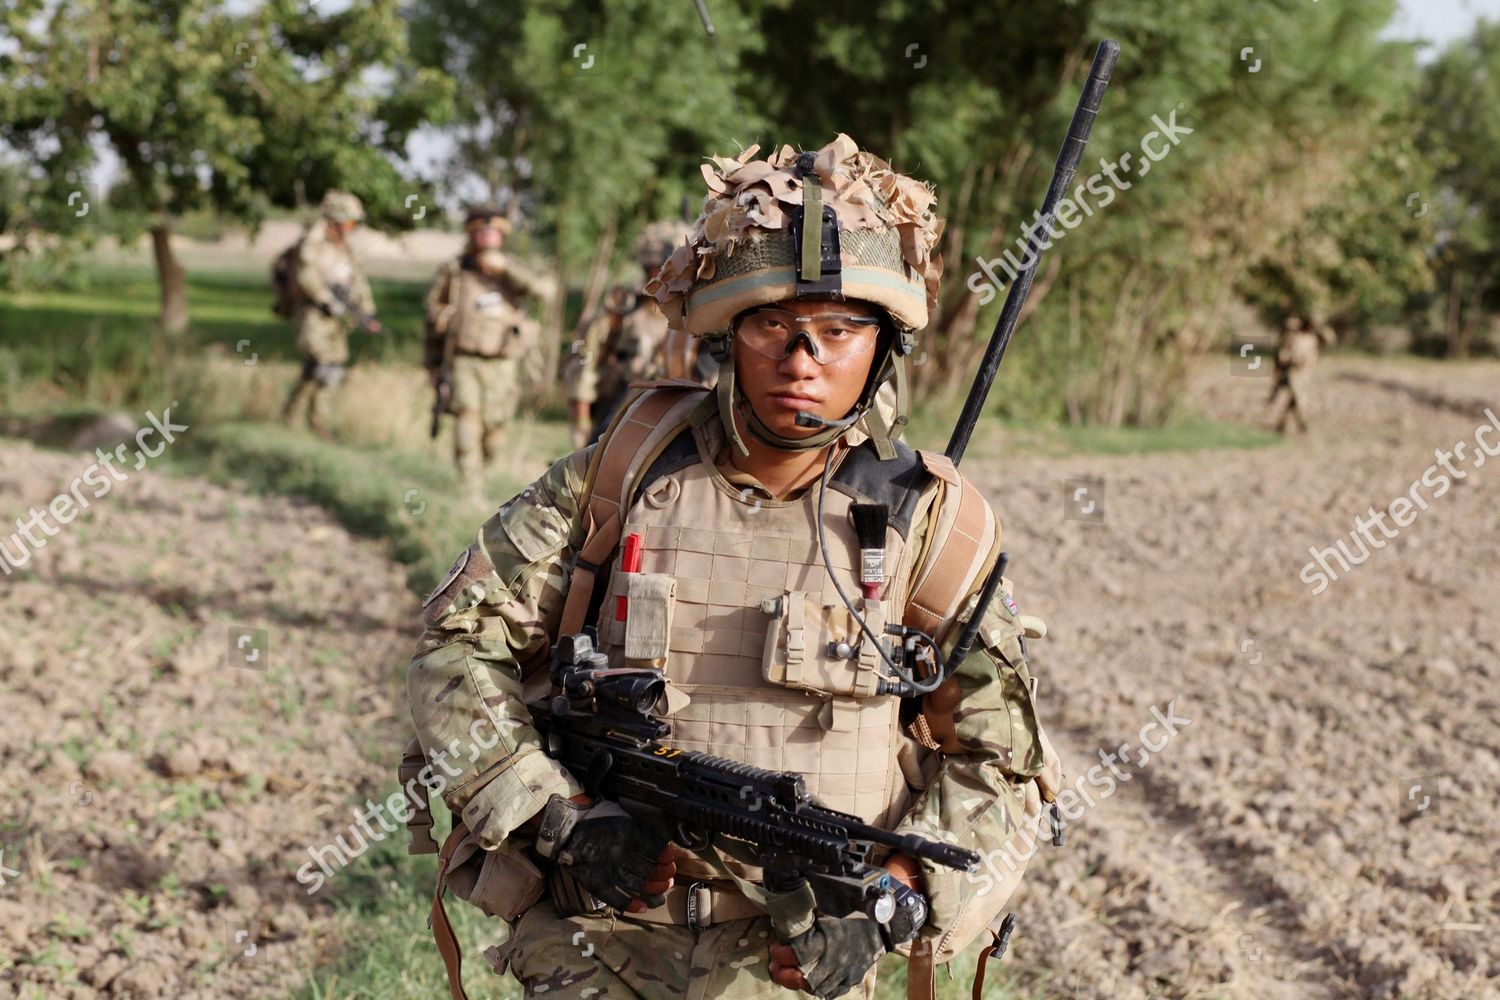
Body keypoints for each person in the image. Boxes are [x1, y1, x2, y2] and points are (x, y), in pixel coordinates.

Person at [405, 135, 1063, 1000]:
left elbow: (1004, 767)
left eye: (838, 333)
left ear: (883, 349)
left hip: (794, 959)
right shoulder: (622, 474)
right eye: (772, 329)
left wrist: (893, 905)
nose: (803, 361)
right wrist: (558, 817)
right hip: (599, 939)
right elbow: (456, 646)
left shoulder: (936, 526)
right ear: (728, 337)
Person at [424, 205, 552, 492]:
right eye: (481, 232)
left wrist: (507, 270)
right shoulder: (455, 271)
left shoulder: (513, 270)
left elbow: (546, 291)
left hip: (503, 363)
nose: (487, 237)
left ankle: (487, 472)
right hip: (463, 359)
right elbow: (433, 316)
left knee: (495, 432)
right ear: (472, 234)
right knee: (467, 420)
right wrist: (431, 360)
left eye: (493, 232)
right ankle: (470, 487)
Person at [563, 220, 690, 448]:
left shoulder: (699, 308)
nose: (662, 273)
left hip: (684, 410)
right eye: (657, 266)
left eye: (672, 266)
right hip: (626, 405)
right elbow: (585, 358)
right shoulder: (623, 306)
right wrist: (581, 417)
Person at [280, 190, 380, 435]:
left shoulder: (345, 247)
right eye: (349, 222)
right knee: (321, 366)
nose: (352, 228)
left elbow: (357, 279)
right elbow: (307, 275)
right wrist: (325, 300)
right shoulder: (313, 242)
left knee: (333, 369)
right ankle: (293, 418)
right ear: (336, 220)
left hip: (337, 319)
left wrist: (366, 310)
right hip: (313, 315)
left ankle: (317, 425)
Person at [1268, 314, 1334, 434]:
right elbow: (1282, 354)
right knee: (1299, 398)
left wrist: (1321, 326)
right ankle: (1303, 425)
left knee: (1293, 400)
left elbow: (1331, 339)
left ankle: (1281, 424)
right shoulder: (1293, 337)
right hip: (1294, 372)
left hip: (1306, 373)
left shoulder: (1314, 338)